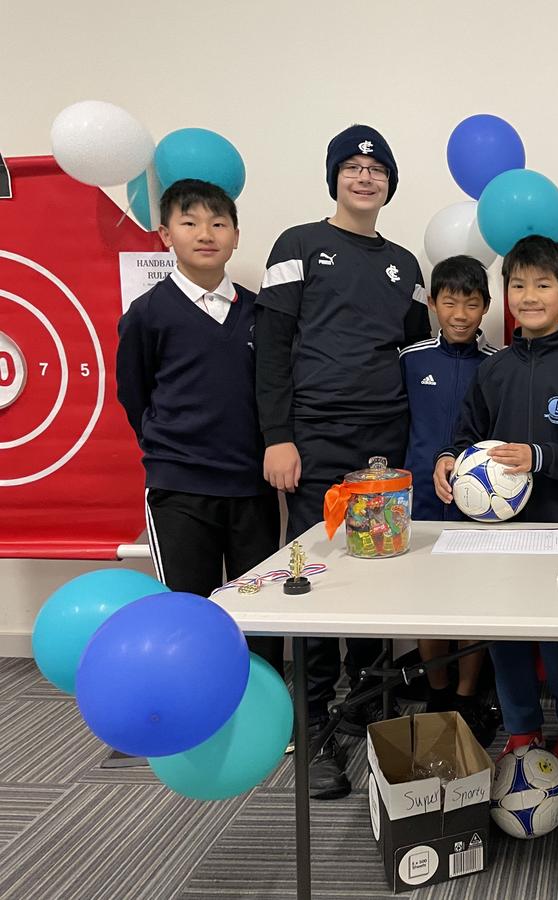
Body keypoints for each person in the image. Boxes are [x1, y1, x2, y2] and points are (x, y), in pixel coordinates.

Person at [255, 124, 431, 800]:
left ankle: (365, 698)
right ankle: (315, 724)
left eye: (376, 168)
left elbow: (415, 354)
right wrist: (278, 436)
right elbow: (272, 349)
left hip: (385, 441)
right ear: (334, 178)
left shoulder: (406, 266)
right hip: (314, 440)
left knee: (380, 568)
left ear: (390, 182)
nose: (364, 176)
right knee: (318, 578)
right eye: (352, 166)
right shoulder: (298, 245)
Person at [434, 235, 558, 771]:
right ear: (506, 294)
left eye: (543, 285)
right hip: (496, 533)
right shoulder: (494, 369)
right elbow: (466, 434)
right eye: (518, 285)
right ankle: (521, 728)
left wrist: (541, 457)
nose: (530, 296)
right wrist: (448, 460)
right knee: (505, 633)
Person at [116, 179, 282, 676]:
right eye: (189, 223)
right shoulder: (148, 313)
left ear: (236, 236)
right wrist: (172, 450)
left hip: (251, 486)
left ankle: (265, 700)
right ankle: (199, 699)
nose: (205, 234)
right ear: (166, 235)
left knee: (260, 607)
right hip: (181, 489)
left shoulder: (258, 312)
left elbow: (274, 388)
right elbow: (134, 394)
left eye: (218, 223)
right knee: (189, 611)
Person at [399, 254, 497, 743]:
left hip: (478, 504)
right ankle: (438, 692)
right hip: (420, 500)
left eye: (472, 303)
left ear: (486, 307)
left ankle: (465, 693)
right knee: (427, 601)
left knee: (474, 599)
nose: (460, 314)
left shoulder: (496, 363)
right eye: (450, 302)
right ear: (433, 304)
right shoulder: (410, 359)